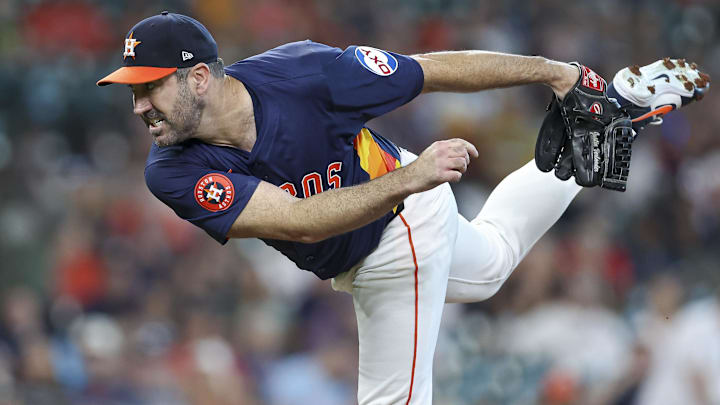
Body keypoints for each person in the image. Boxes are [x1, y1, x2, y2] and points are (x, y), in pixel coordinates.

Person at [97, 12, 708, 404]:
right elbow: (293, 219)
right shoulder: (171, 169)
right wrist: (411, 178)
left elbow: (429, 72)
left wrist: (559, 73)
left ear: (199, 77)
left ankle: (604, 99)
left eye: (148, 86)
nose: (138, 106)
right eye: (133, 89)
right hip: (395, 202)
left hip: (399, 227)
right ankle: (615, 118)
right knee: (491, 263)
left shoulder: (306, 74)